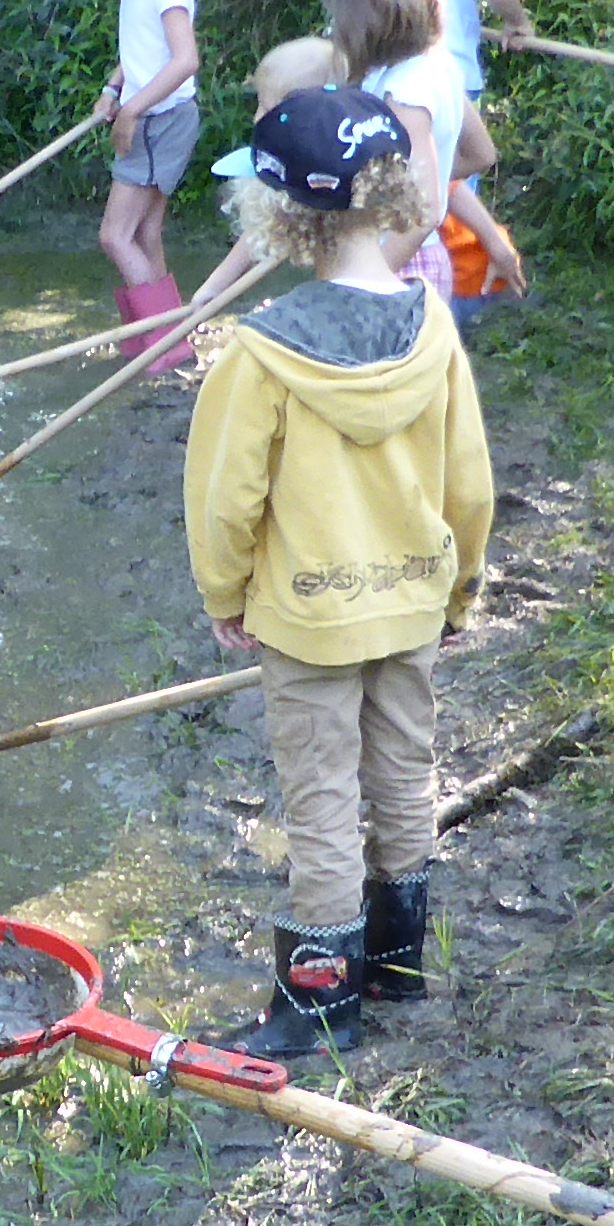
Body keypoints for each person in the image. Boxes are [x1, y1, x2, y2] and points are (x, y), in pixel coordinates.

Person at [181, 86, 495, 1059]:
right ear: (397, 189)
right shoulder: (432, 324)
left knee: (322, 799)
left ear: (275, 214)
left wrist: (225, 594)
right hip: (411, 606)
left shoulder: (260, 352)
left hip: (309, 621)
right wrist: (460, 592)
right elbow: (469, 483)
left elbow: (226, 498)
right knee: (405, 776)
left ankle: (321, 1001)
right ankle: (397, 966)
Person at [364, 0, 532, 295]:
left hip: (394, 81)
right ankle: (453, 302)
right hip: (455, 81)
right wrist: (516, 23)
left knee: (404, 199)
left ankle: (400, 293)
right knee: (449, 201)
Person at [317, 0, 525, 302]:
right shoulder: (435, 65)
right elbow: (481, 154)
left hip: (399, 265)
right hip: (415, 260)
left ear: (365, 10)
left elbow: (425, 210)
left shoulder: (404, 92)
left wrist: (365, 281)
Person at [77, 0, 203, 362]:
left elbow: (185, 60)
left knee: (114, 236)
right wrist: (112, 88)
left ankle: (162, 347)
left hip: (160, 122)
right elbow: (139, 53)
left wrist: (131, 112)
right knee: (144, 233)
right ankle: (161, 338)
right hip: (155, 115)